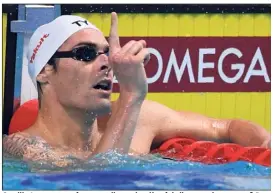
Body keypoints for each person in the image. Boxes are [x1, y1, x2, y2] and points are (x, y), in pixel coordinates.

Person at [3, 13, 270, 167]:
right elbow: (95, 181)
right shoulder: (22, 148)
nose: (106, 63)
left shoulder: (143, 120)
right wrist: (131, 94)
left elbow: (225, 127)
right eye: (85, 54)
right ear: (44, 71)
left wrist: (265, 143)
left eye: (107, 53)